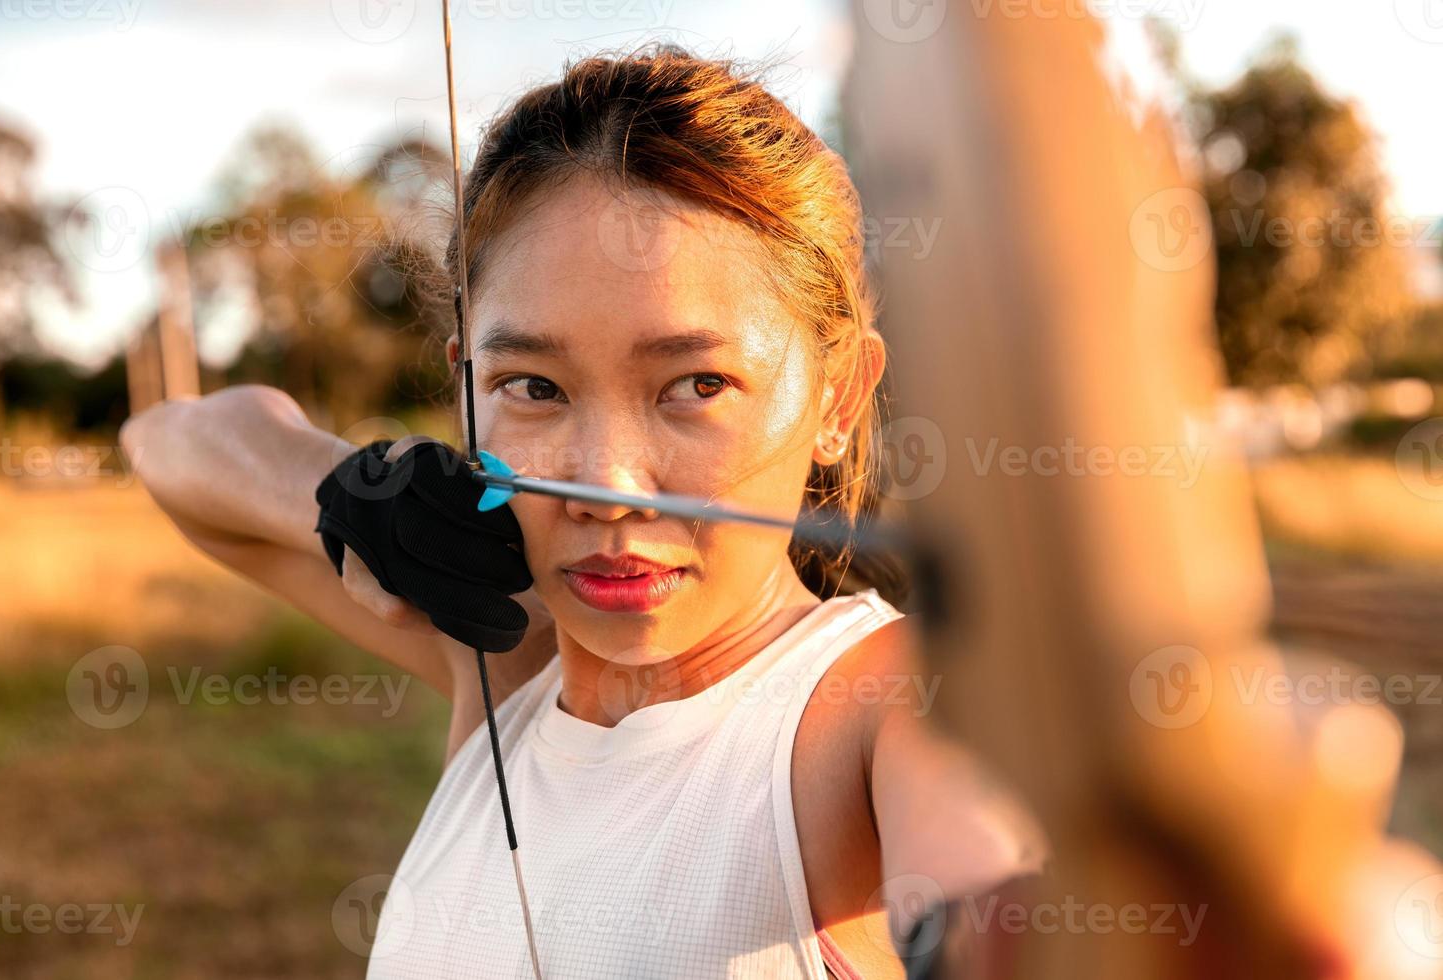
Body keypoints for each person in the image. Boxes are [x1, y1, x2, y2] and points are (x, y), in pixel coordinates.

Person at [121, 45, 1044, 979]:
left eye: (696, 383)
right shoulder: (504, 662)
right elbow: (168, 443)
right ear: (465, 388)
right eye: (533, 386)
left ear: (838, 399)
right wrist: (346, 492)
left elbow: (1003, 888)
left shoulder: (878, 705)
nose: (609, 483)